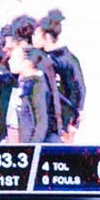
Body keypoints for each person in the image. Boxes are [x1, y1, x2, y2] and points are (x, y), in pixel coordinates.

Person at [34, 9, 86, 138]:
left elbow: (79, 90)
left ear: (46, 37)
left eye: (36, 35)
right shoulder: (39, 57)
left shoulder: (67, 60)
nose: (33, 38)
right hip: (45, 117)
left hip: (64, 119)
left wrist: (74, 122)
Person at [6, 42, 59, 144]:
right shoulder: (25, 83)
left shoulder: (37, 86)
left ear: (27, 63)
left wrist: (32, 148)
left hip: (38, 147)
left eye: (13, 58)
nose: (9, 61)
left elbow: (42, 122)